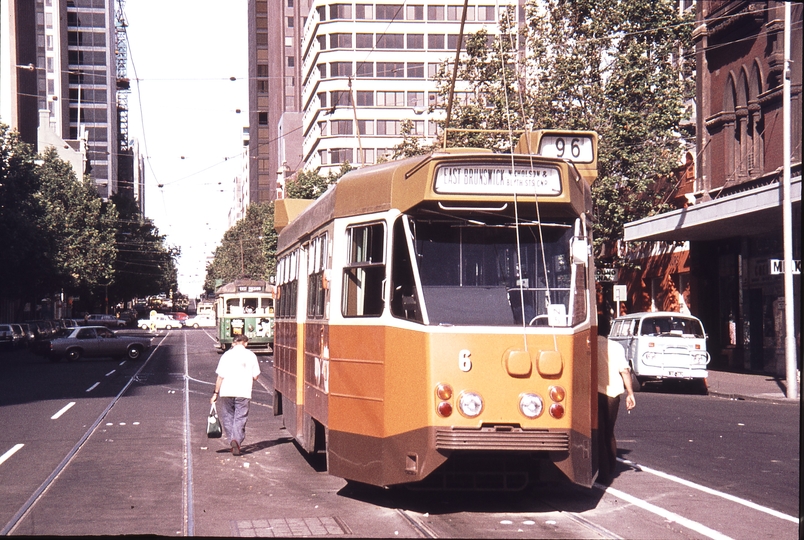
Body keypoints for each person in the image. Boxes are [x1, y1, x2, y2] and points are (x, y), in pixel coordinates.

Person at [211, 334, 261, 456]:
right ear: (246, 343)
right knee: (240, 417)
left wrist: (215, 393)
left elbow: (220, 377)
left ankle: (232, 441)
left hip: (227, 391)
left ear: (234, 343)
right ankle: (236, 440)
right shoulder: (251, 355)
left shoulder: (226, 355)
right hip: (243, 391)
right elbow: (255, 376)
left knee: (228, 417)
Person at [597, 326, 636, 484]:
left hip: (595, 394)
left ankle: (603, 472)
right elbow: (625, 371)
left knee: (598, 432)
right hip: (614, 394)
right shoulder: (616, 347)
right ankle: (612, 466)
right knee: (609, 431)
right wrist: (630, 393)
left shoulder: (589, 345)